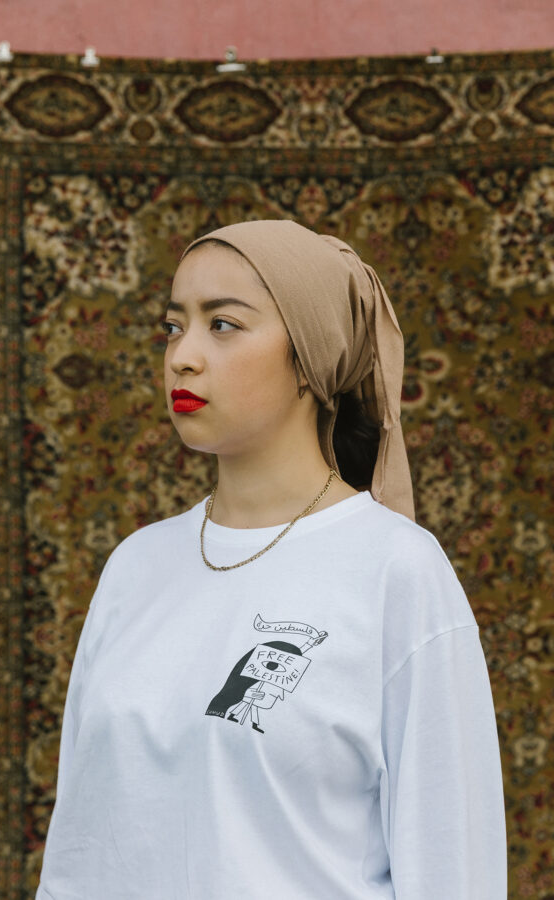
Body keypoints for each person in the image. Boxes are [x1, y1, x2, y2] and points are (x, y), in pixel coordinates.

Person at [36, 219, 507, 899]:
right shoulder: (135, 568)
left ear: (310, 360)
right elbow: (78, 854)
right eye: (174, 326)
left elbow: (452, 868)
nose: (183, 356)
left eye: (222, 325)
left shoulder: (397, 572)